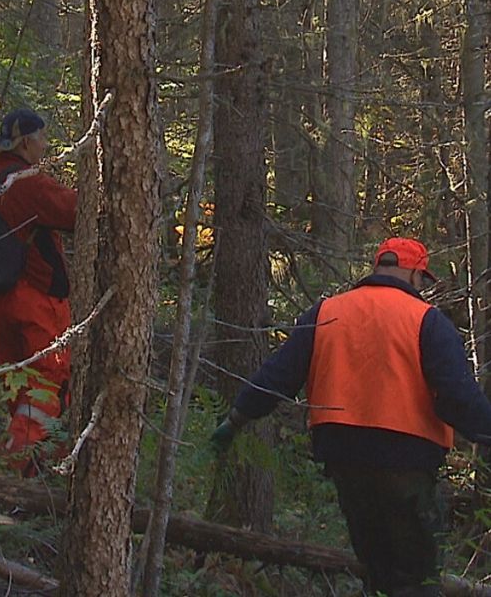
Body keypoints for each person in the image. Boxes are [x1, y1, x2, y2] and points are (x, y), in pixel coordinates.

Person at [210, 237, 491, 596]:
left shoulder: (327, 312)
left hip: (344, 460)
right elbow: (457, 399)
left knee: (375, 569)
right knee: (416, 577)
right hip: (406, 461)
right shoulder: (426, 321)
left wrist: (234, 420)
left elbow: (277, 376)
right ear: (414, 274)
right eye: (422, 279)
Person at [0, 108, 77, 477]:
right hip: (34, 300)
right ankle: (17, 476)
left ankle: (31, 464)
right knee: (45, 385)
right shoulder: (26, 183)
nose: (45, 146)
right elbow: (76, 209)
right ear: (25, 142)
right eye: (41, 139)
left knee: (20, 389)